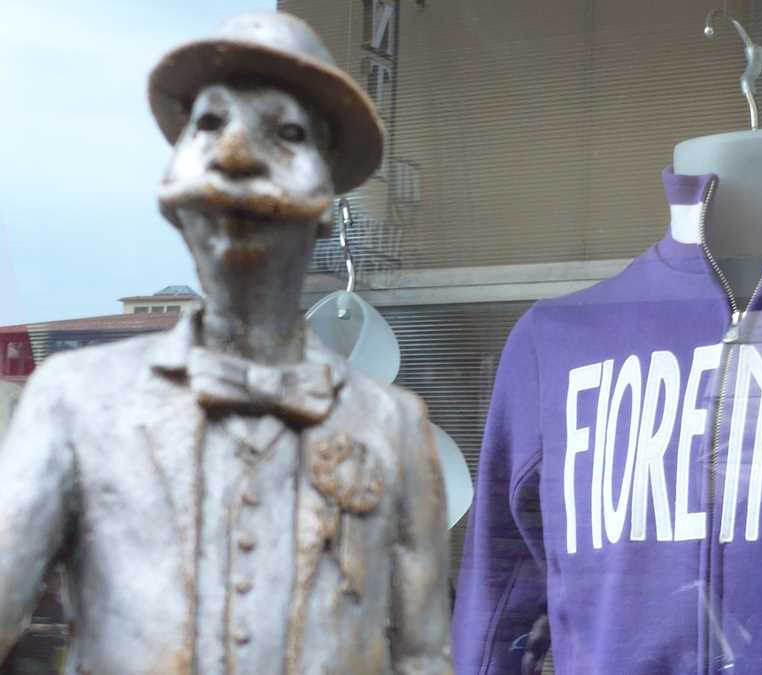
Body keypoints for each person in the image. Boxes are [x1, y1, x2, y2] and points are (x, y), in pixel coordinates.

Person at [0, 11, 451, 675]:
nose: (238, 152)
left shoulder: (395, 425)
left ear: (326, 197)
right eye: (210, 123)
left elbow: (424, 657)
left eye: (288, 133)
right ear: (172, 187)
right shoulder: (72, 400)